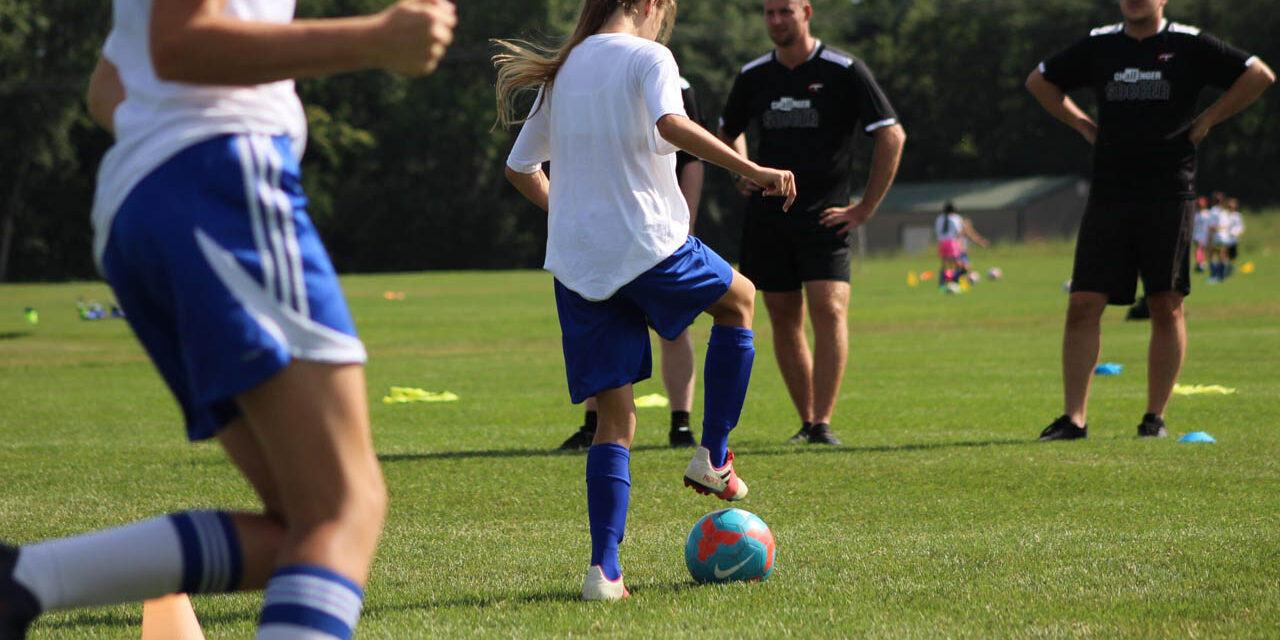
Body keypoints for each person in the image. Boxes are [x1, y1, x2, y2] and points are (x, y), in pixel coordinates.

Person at [0, 2, 455, 639]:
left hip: (152, 204)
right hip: (219, 183)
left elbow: (109, 86)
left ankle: (25, 581)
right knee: (344, 509)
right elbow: (182, 47)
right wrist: (376, 40)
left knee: (303, 524)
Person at [494, 0, 796, 600]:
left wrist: (579, 218)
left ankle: (604, 573)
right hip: (648, 244)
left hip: (580, 261)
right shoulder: (649, 56)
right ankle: (713, 455)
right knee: (741, 299)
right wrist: (753, 167)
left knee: (615, 418)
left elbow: (519, 167)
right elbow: (672, 127)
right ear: (649, 5)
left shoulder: (567, 68)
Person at [1026, 0, 1273, 441]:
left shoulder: (1189, 43)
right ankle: (1074, 420)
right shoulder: (1100, 44)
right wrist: (1083, 125)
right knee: (1083, 303)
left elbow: (1259, 74)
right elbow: (1039, 81)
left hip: (1168, 191)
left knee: (1165, 303)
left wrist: (1208, 120)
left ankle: (1154, 418)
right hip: (1109, 192)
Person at [718, 0, 905, 445]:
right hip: (768, 218)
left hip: (827, 216)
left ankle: (823, 421)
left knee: (830, 308)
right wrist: (741, 169)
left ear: (807, 11)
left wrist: (865, 208)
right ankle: (807, 424)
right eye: (769, 13)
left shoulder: (844, 69)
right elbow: (726, 132)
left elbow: (891, 134)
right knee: (783, 317)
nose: (777, 21)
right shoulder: (753, 75)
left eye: (785, 11)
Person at [557, 77, 706, 451]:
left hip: (657, 228)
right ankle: (594, 424)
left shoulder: (674, 83)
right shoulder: (585, 80)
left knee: (675, 326)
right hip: (603, 229)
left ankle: (682, 424)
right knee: (603, 323)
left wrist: (686, 220)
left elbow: (691, 159)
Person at [935, 201, 988, 292]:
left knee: (946, 264)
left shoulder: (939, 218)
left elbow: (938, 231)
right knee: (958, 263)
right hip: (952, 242)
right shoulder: (956, 218)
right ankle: (957, 281)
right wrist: (961, 245)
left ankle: (943, 284)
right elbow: (959, 233)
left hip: (941, 242)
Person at [1209, 196, 1244, 282]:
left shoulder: (1236, 216)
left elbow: (1239, 227)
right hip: (1224, 239)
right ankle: (1221, 274)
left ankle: (1221, 274)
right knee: (1222, 255)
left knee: (1228, 256)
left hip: (1229, 239)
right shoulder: (1224, 213)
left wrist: (1235, 233)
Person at [1191, 195, 1213, 272]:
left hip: (1205, 233)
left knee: (1203, 249)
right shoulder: (1195, 215)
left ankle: (1201, 263)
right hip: (1197, 234)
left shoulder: (1207, 214)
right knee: (1199, 247)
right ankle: (1199, 263)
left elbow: (1210, 225)